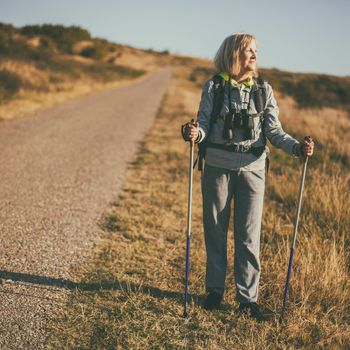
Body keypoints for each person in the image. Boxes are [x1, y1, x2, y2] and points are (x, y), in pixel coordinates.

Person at [182, 33, 314, 321]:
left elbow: (274, 131)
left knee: (248, 236)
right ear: (233, 54)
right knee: (215, 231)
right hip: (217, 166)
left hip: (253, 171)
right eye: (248, 50)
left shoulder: (264, 90)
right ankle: (214, 292)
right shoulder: (214, 87)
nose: (254, 55)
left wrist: (296, 148)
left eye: (256, 50)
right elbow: (203, 124)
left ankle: (247, 299)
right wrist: (193, 133)